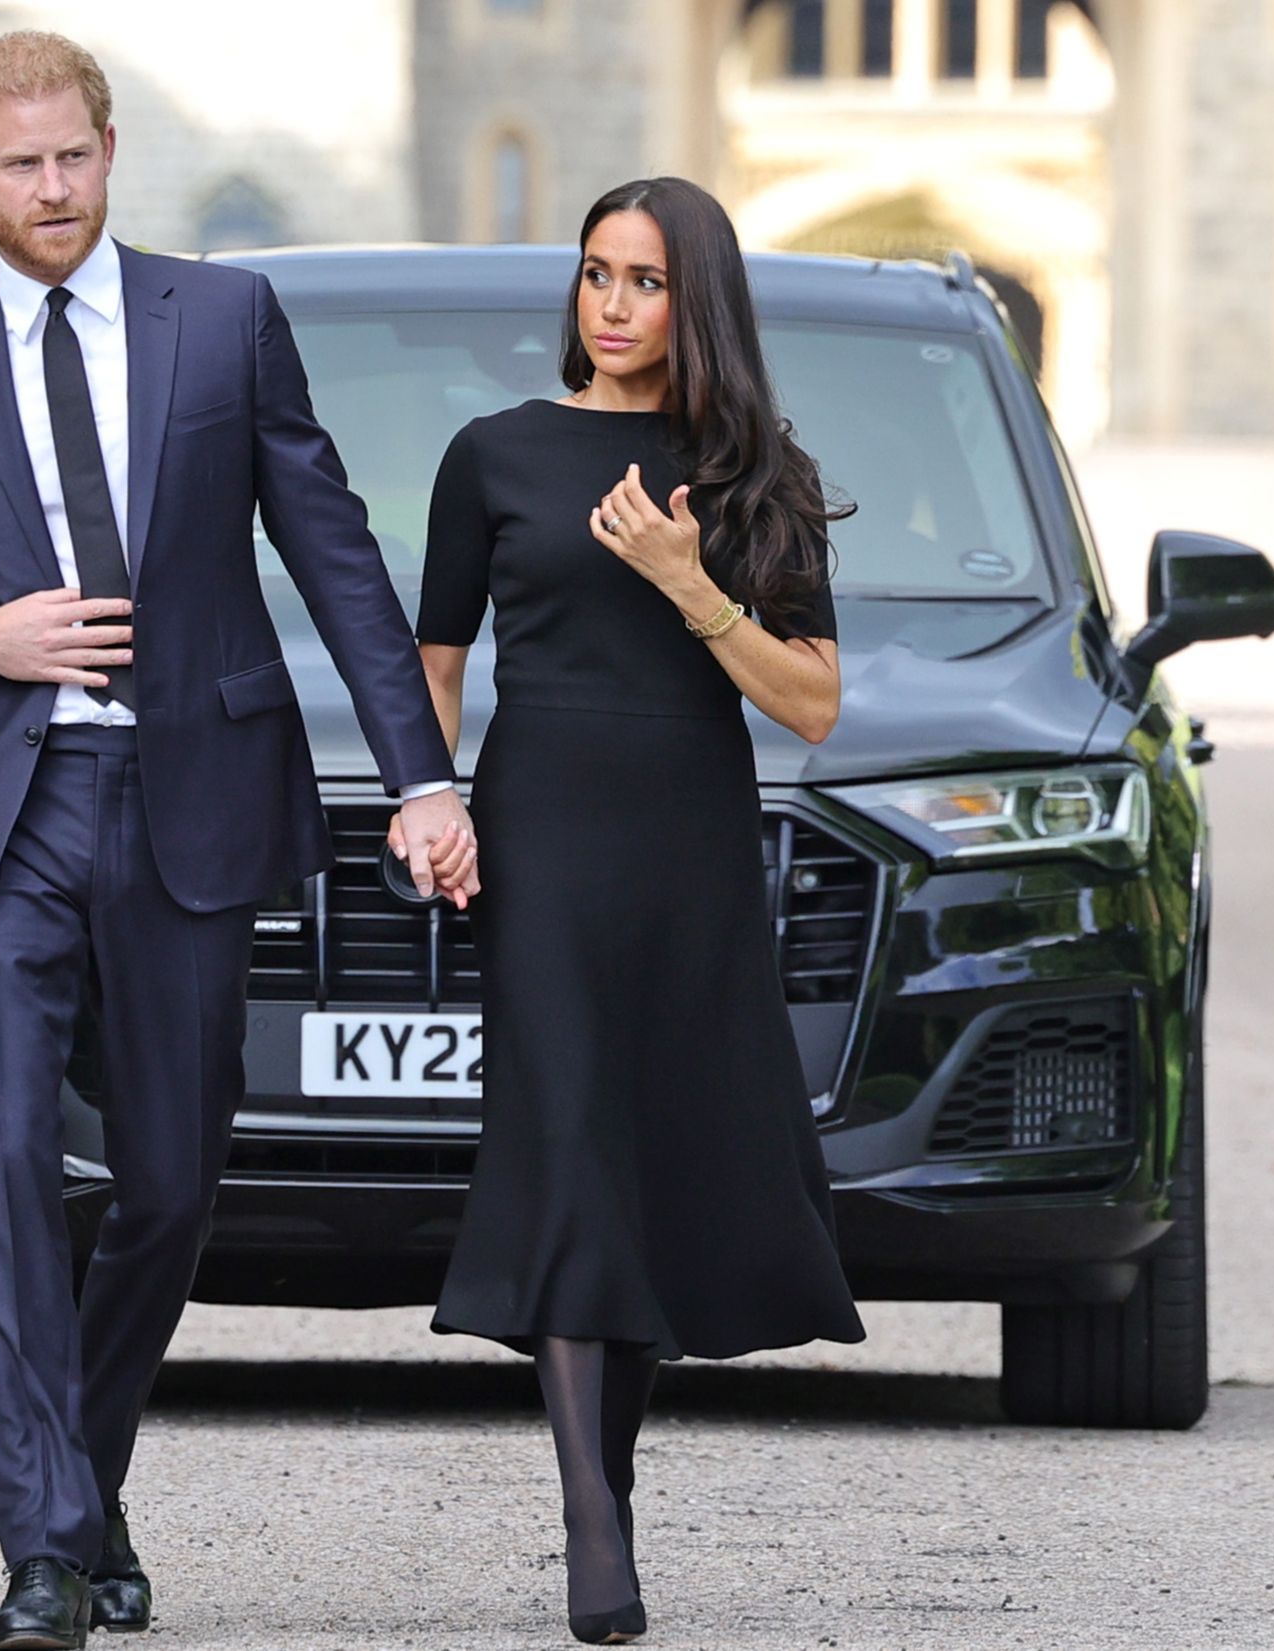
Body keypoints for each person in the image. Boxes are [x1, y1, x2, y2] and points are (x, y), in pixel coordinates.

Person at [0, 31, 476, 1650]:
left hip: (187, 802)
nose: (55, 193)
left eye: (77, 160)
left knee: (173, 1182)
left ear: (112, 150)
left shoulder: (223, 320)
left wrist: (423, 776)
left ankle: (82, 1479)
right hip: (4, 810)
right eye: (22, 167)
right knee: (6, 1177)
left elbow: (334, 556)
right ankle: (42, 1553)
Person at [417, 177, 869, 1646]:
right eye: (597, 276)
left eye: (646, 282)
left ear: (698, 304)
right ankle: (591, 1522)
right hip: (541, 831)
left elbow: (810, 707)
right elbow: (434, 661)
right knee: (564, 1140)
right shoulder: (492, 456)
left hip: (687, 840)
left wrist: (692, 583)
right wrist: (438, 805)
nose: (610, 307)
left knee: (655, 1154)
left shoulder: (756, 482)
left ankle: (605, 1481)